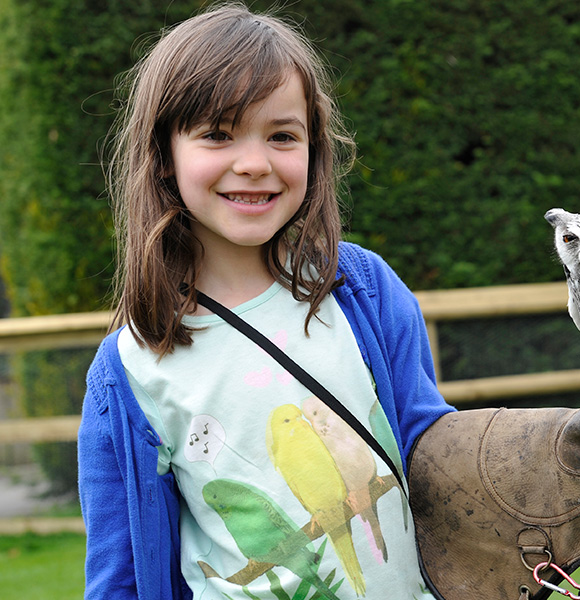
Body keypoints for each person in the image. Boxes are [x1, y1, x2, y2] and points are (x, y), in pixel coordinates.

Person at [77, 4, 454, 599]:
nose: (254, 164)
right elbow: (119, 576)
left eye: (282, 135)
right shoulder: (129, 371)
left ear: (314, 148)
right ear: (163, 156)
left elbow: (439, 458)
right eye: (218, 134)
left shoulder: (362, 290)